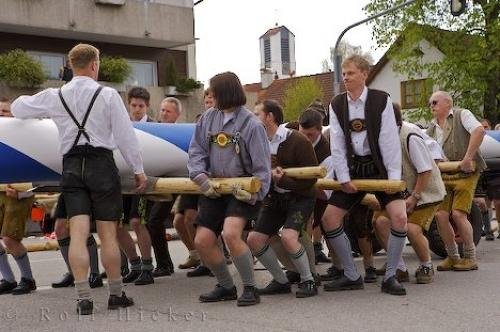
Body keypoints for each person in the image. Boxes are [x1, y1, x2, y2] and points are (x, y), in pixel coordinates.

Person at [11, 43, 147, 315]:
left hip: (72, 165)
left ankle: (83, 298)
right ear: (94, 65)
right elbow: (125, 136)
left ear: (71, 66)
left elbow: (17, 107)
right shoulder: (107, 95)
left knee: (78, 234)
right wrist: (138, 168)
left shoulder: (55, 95)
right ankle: (116, 295)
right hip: (101, 165)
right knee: (108, 234)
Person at [322, 54, 408, 296]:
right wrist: (343, 175)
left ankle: (391, 276)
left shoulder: (381, 100)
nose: (345, 77)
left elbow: (389, 139)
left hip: (379, 167)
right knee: (329, 219)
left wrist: (392, 178)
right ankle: (351, 274)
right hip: (353, 167)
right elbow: (336, 142)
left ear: (364, 74)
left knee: (399, 218)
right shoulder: (337, 104)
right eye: (344, 73)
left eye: (350, 73)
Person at [188, 72, 271, 306]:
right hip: (213, 187)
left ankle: (250, 288)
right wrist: (201, 178)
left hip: (241, 188)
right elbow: (196, 152)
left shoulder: (252, 125)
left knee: (230, 234)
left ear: (224, 93)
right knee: (202, 241)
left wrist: (254, 193)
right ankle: (225, 286)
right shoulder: (206, 119)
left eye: (213, 91)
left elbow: (263, 168)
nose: (210, 95)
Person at [248, 100, 319, 298]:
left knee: (289, 237)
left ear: (269, 117)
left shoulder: (297, 140)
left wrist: (284, 180)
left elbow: (312, 178)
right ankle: (281, 281)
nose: (253, 119)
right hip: (275, 199)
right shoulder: (257, 142)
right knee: (254, 239)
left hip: (301, 197)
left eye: (256, 114)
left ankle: (308, 280)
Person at [374, 106, 446, 284]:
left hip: (425, 193)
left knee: (412, 229)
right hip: (401, 193)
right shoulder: (382, 138)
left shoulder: (410, 136)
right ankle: (399, 268)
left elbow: (425, 171)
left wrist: (414, 197)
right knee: (381, 223)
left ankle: (426, 265)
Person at [427, 91, 486, 271]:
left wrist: (467, 158)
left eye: (435, 102)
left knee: (458, 214)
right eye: (430, 103)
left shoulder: (462, 114)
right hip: (445, 174)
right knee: (440, 216)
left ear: (447, 103)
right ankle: (452, 256)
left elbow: (479, 130)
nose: (432, 106)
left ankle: (470, 257)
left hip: (466, 173)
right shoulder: (430, 128)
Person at [116, 87, 155, 286]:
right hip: (122, 180)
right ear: (128, 105)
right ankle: (135, 264)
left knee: (137, 222)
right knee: (116, 225)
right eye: (133, 105)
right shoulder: (121, 125)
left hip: (143, 180)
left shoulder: (154, 127)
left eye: (141, 106)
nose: (137, 109)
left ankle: (148, 267)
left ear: (147, 107)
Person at [175, 89, 212, 275]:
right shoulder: (199, 124)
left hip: (212, 178)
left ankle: (211, 259)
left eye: (212, 99)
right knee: (180, 221)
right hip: (194, 178)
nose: (209, 102)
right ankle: (199, 257)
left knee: (198, 219)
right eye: (206, 99)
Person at [51, 194, 103, 288]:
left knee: (82, 228)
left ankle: (95, 274)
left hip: (82, 187)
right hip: (66, 187)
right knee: (60, 230)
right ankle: (73, 274)